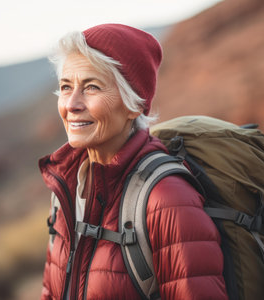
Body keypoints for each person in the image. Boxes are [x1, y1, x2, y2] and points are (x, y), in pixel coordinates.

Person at [38, 23, 228, 300]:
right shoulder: (65, 186)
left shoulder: (166, 197)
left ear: (134, 104)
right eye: (66, 87)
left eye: (91, 87)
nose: (72, 104)